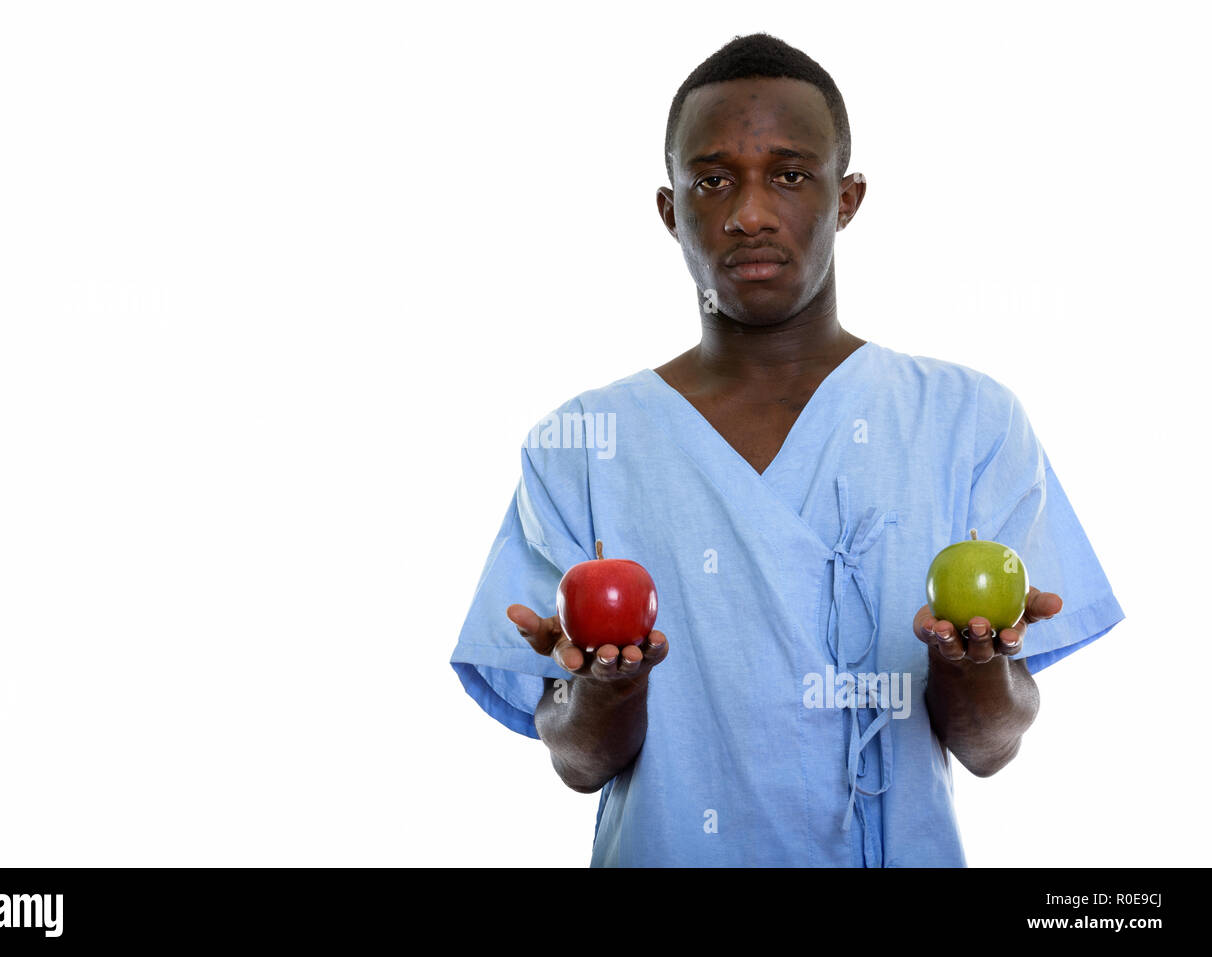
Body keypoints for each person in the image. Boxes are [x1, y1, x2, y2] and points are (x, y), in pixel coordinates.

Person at [448, 32, 1124, 866]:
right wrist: (603, 688)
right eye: (713, 179)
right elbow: (580, 762)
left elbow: (989, 745)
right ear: (671, 211)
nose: (750, 212)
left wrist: (974, 666)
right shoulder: (582, 444)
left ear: (847, 198)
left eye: (791, 174)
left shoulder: (968, 420)